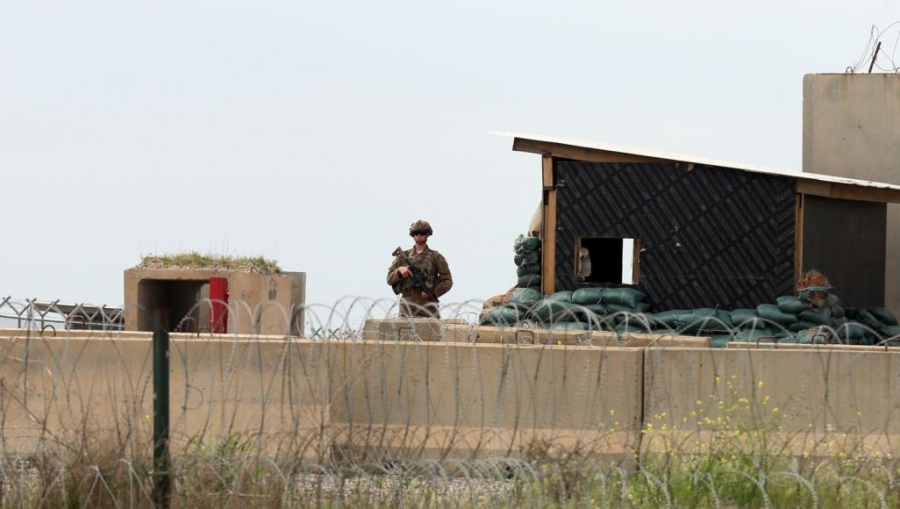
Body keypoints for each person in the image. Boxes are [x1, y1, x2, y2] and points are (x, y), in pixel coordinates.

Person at [387, 220, 453, 318]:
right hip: (407, 307)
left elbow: (447, 281)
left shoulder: (436, 257)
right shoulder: (402, 257)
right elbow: (389, 279)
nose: (419, 235)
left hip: (428, 307)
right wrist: (399, 271)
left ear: (427, 234)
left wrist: (433, 292)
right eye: (416, 233)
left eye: (422, 233)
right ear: (412, 235)